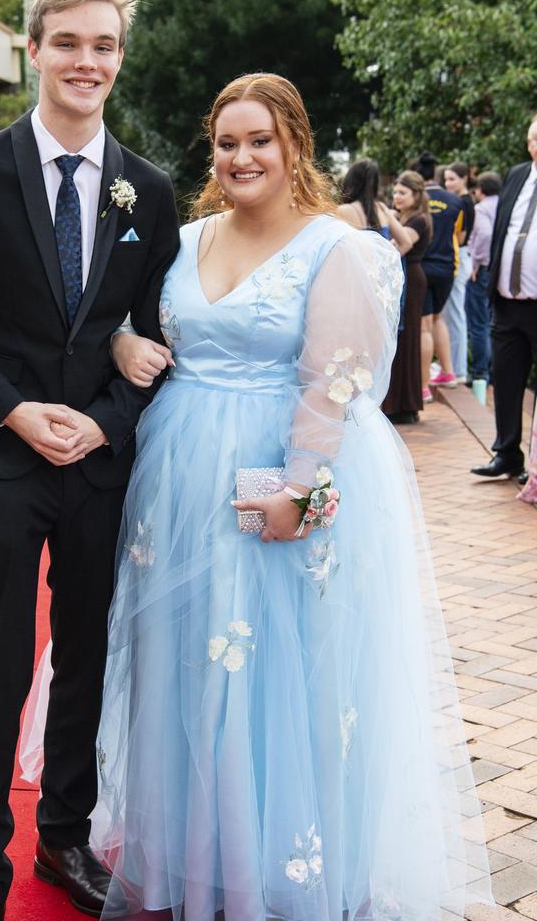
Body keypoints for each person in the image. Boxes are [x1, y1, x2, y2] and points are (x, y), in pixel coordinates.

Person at [81, 73, 490, 921]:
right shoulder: (183, 240)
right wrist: (122, 344)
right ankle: (207, 858)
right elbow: (133, 323)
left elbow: (335, 379)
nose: (241, 157)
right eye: (227, 143)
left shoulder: (335, 247)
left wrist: (299, 489)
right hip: (179, 477)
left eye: (259, 140)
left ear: (295, 146)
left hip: (284, 467)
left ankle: (286, 868)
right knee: (188, 660)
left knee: (278, 664)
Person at [0, 0, 180, 921]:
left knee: (91, 656)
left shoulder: (148, 189)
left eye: (102, 45)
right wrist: (17, 413)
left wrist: (105, 420)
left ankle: (64, 837)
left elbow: (154, 337)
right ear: (36, 51)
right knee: (0, 664)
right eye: (68, 43)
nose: (86, 62)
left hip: (102, 461)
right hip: (8, 458)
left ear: (118, 55)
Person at [472, 116, 537, 479]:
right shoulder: (516, 174)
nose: (535, 146)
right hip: (507, 301)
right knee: (507, 380)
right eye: (532, 139)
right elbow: (502, 230)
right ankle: (507, 453)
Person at [381, 170, 432, 423]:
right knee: (398, 339)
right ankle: (397, 402)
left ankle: (406, 404)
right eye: (395, 193)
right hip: (401, 279)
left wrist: (388, 218)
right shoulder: (404, 217)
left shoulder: (419, 220)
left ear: (416, 194)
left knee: (408, 338)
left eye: (402, 193)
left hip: (411, 280)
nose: (397, 197)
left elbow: (400, 246)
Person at [415, 151, 463, 400]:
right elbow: (461, 236)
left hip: (422, 267)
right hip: (446, 268)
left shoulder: (415, 198)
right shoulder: (455, 201)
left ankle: (423, 387)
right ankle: (448, 372)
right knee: (437, 319)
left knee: (423, 327)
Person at [442, 162, 476, 383]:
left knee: (455, 316)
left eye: (452, 179)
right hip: (458, 257)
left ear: (464, 179)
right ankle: (453, 366)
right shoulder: (459, 201)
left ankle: (459, 370)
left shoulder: (463, 203)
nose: (448, 183)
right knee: (450, 316)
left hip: (459, 257)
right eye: (446, 179)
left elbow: (461, 237)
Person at [336, 158, 413, 253]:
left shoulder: (342, 210)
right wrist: (388, 263)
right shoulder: (382, 208)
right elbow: (406, 243)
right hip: (380, 267)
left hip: (354, 267)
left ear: (349, 181)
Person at [466, 172, 500, 384]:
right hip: (500, 271)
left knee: (479, 322)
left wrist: (476, 261)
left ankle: (480, 372)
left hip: (484, 268)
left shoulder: (481, 208)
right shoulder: (506, 203)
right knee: (495, 321)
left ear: (480, 190)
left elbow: (485, 235)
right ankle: (494, 371)